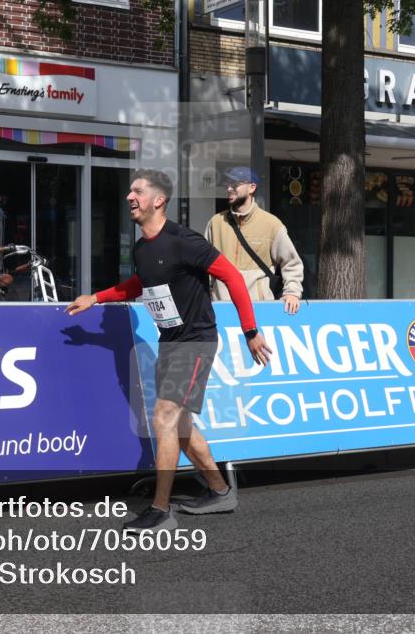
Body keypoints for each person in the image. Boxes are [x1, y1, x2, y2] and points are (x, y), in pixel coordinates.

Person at [66, 169, 272, 532]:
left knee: (163, 416)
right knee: (180, 424)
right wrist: (95, 298)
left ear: (158, 200)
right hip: (170, 341)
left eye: (138, 192)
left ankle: (161, 510)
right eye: (130, 192)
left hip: (196, 340)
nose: (130, 197)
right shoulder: (143, 247)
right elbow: (137, 284)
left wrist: (250, 331)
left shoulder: (183, 240)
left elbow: (233, 277)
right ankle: (221, 491)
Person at [204, 166, 304, 315]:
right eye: (227, 184)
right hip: (221, 309)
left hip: (259, 309)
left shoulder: (271, 224)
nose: (229, 188)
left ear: (252, 188)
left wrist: (292, 292)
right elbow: (204, 265)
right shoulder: (216, 223)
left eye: (235, 184)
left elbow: (291, 263)